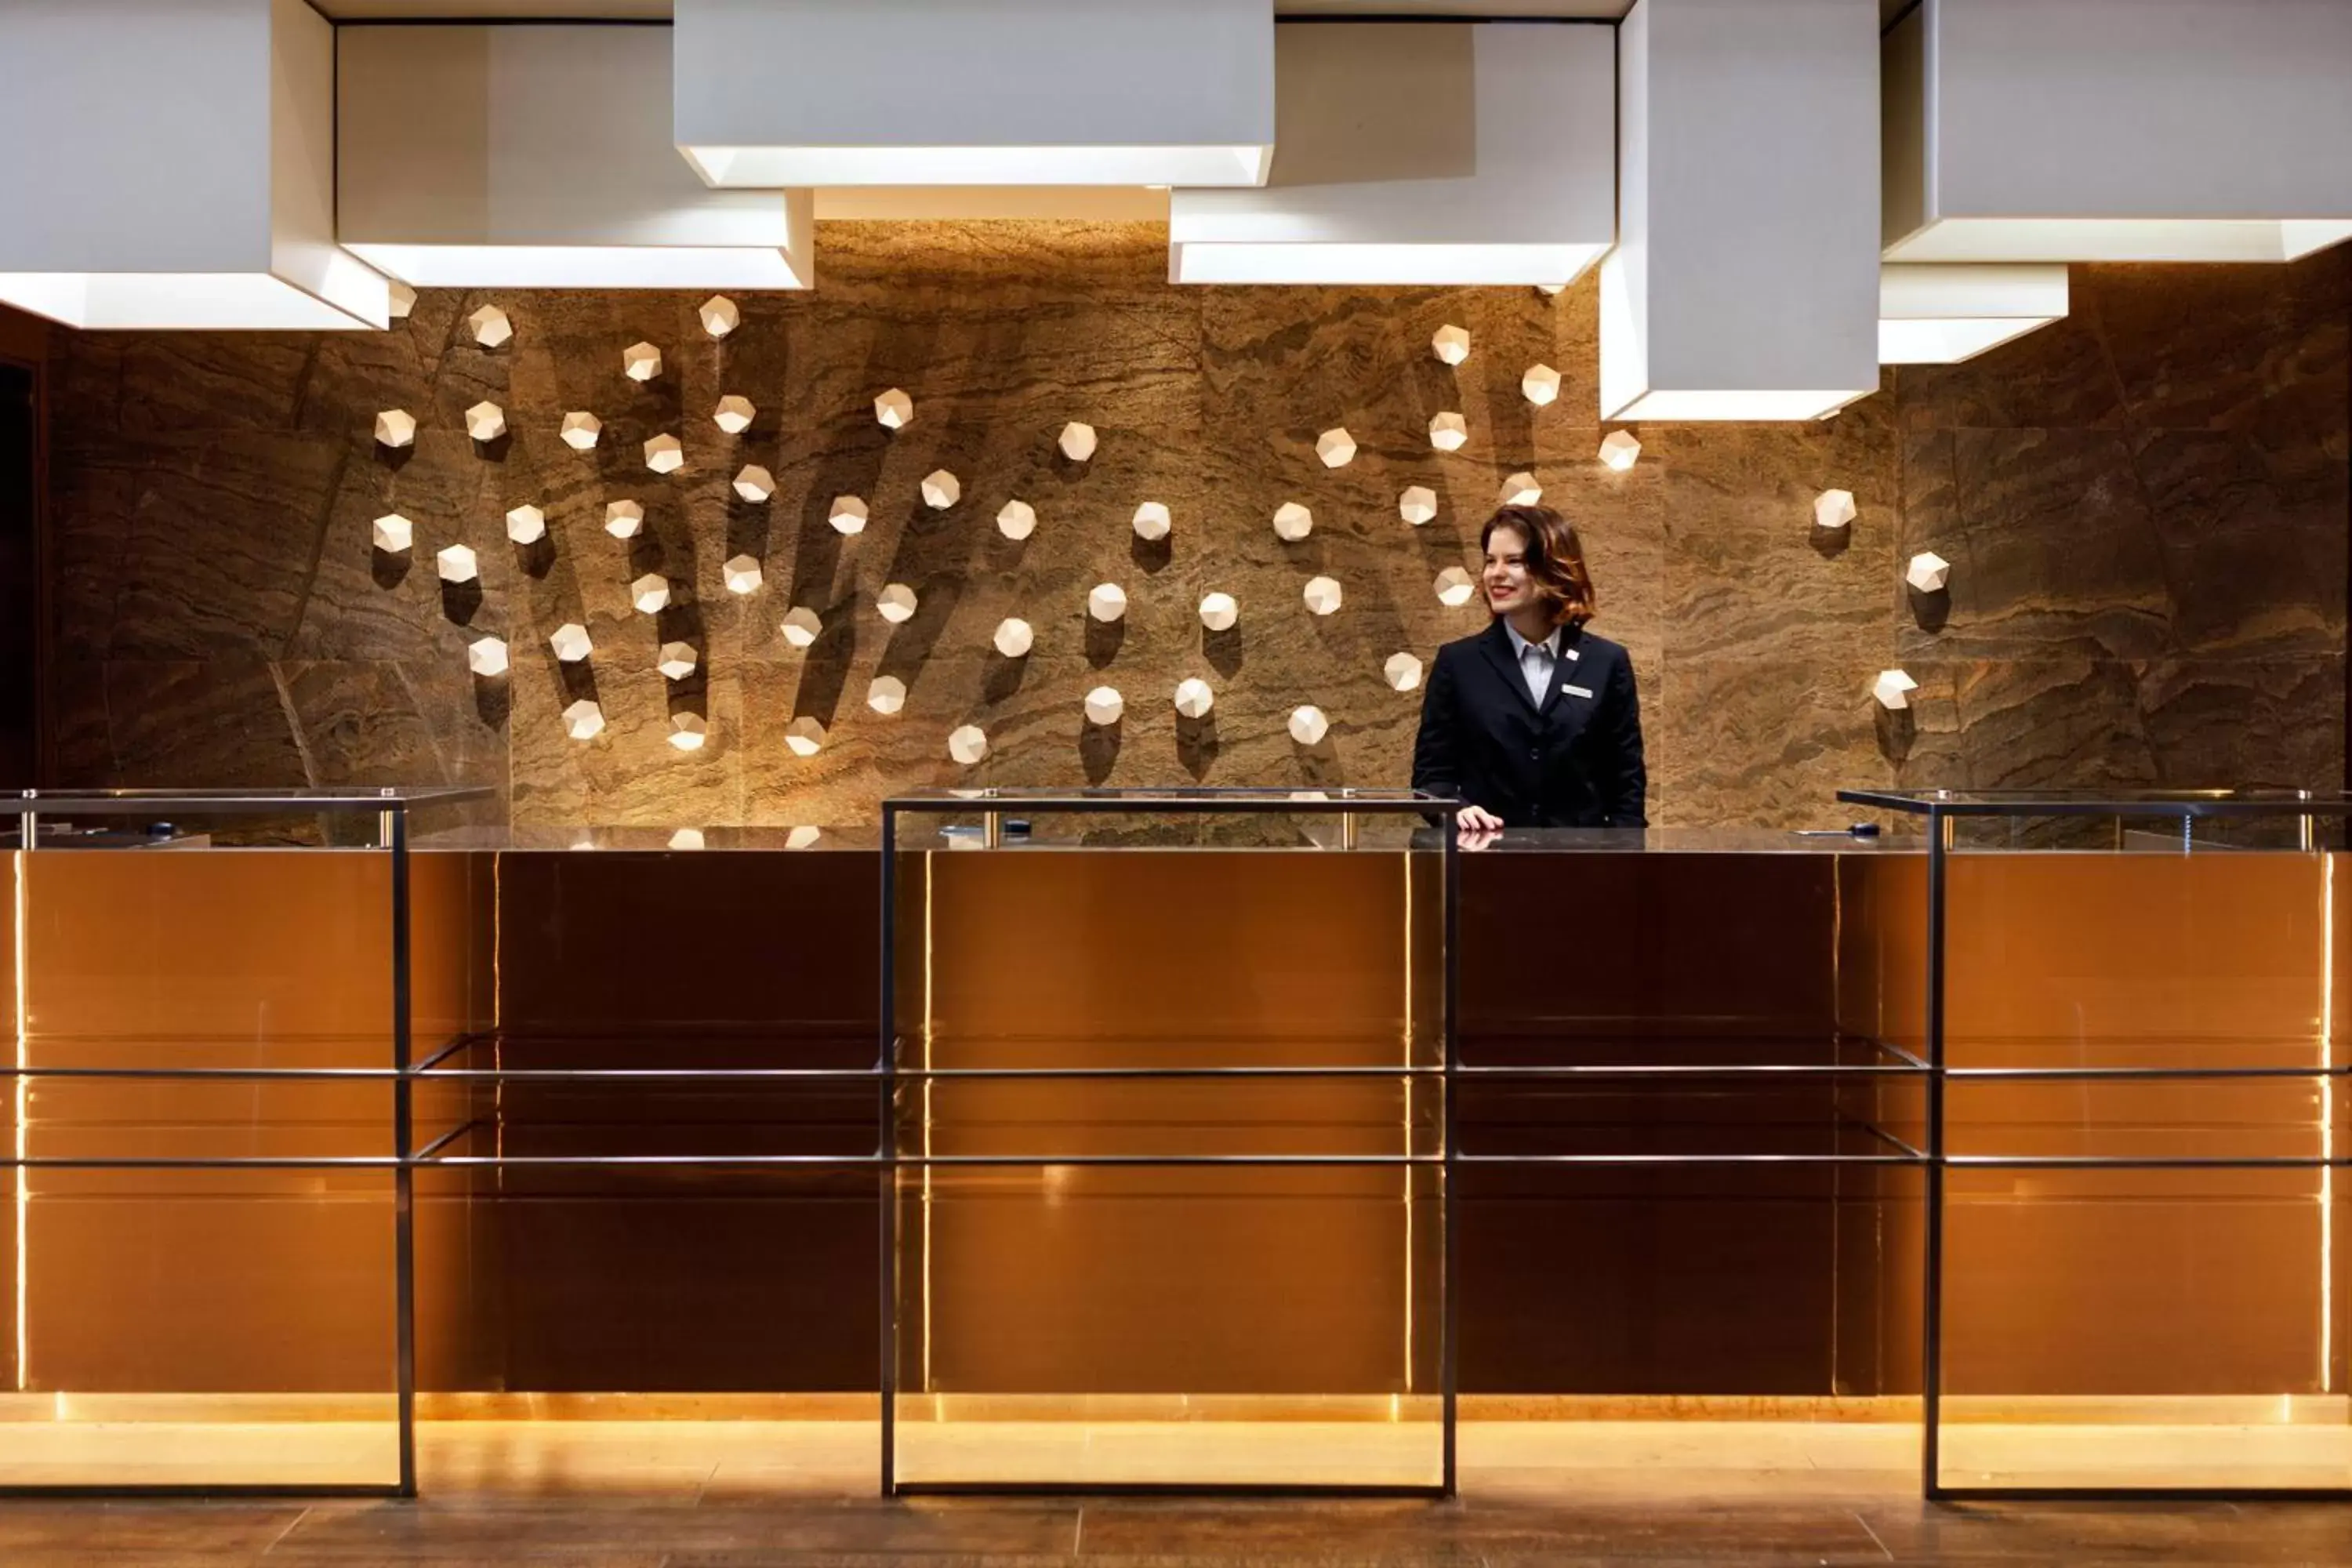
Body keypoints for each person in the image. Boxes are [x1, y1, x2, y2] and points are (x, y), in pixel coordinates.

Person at [1410, 504, 1646, 840]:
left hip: (1584, 870)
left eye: (1514, 561)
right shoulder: (1458, 663)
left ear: (1555, 568)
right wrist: (1456, 808)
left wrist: (1624, 865)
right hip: (1485, 867)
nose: (1495, 573)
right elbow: (1431, 778)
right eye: (1490, 561)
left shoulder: (1607, 662)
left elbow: (1627, 786)